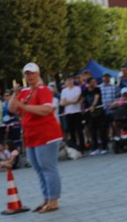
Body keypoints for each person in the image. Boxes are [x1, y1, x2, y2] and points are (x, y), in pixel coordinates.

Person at [9, 62, 63, 213]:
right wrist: (15, 93)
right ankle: (46, 198)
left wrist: (24, 106)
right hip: (31, 136)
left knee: (48, 167)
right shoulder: (25, 91)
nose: (30, 76)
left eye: (32, 73)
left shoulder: (44, 90)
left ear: (38, 74)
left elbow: (46, 110)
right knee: (39, 169)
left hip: (46, 135)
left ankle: (53, 200)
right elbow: (13, 108)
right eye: (27, 73)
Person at [59, 76, 84, 152]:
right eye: (67, 80)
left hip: (76, 112)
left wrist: (67, 101)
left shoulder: (77, 89)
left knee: (79, 130)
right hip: (68, 113)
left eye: (70, 80)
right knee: (71, 131)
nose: (69, 82)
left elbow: (76, 100)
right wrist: (70, 101)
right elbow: (62, 103)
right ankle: (74, 148)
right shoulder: (64, 91)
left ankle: (82, 147)